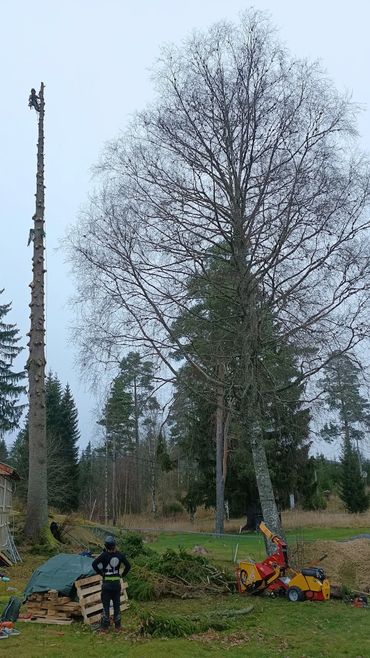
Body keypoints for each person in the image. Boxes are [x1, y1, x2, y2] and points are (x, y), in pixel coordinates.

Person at [92, 535, 131, 633]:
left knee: (106, 606)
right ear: (114, 545)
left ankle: (104, 628)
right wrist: (122, 575)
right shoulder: (120, 555)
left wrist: (101, 573)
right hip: (116, 585)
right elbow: (128, 566)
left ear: (106, 546)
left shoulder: (104, 555)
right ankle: (118, 627)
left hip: (106, 586)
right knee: (117, 606)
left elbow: (94, 564)